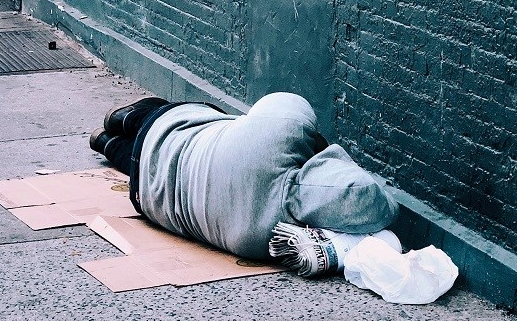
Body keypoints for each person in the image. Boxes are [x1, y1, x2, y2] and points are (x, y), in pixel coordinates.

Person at [90, 92, 398, 261]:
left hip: (171, 128)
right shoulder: (265, 241)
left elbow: (286, 101)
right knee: (144, 165)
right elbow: (376, 205)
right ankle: (106, 144)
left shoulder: (280, 131)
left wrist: (318, 147)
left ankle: (122, 118)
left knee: (161, 119)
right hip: (147, 195)